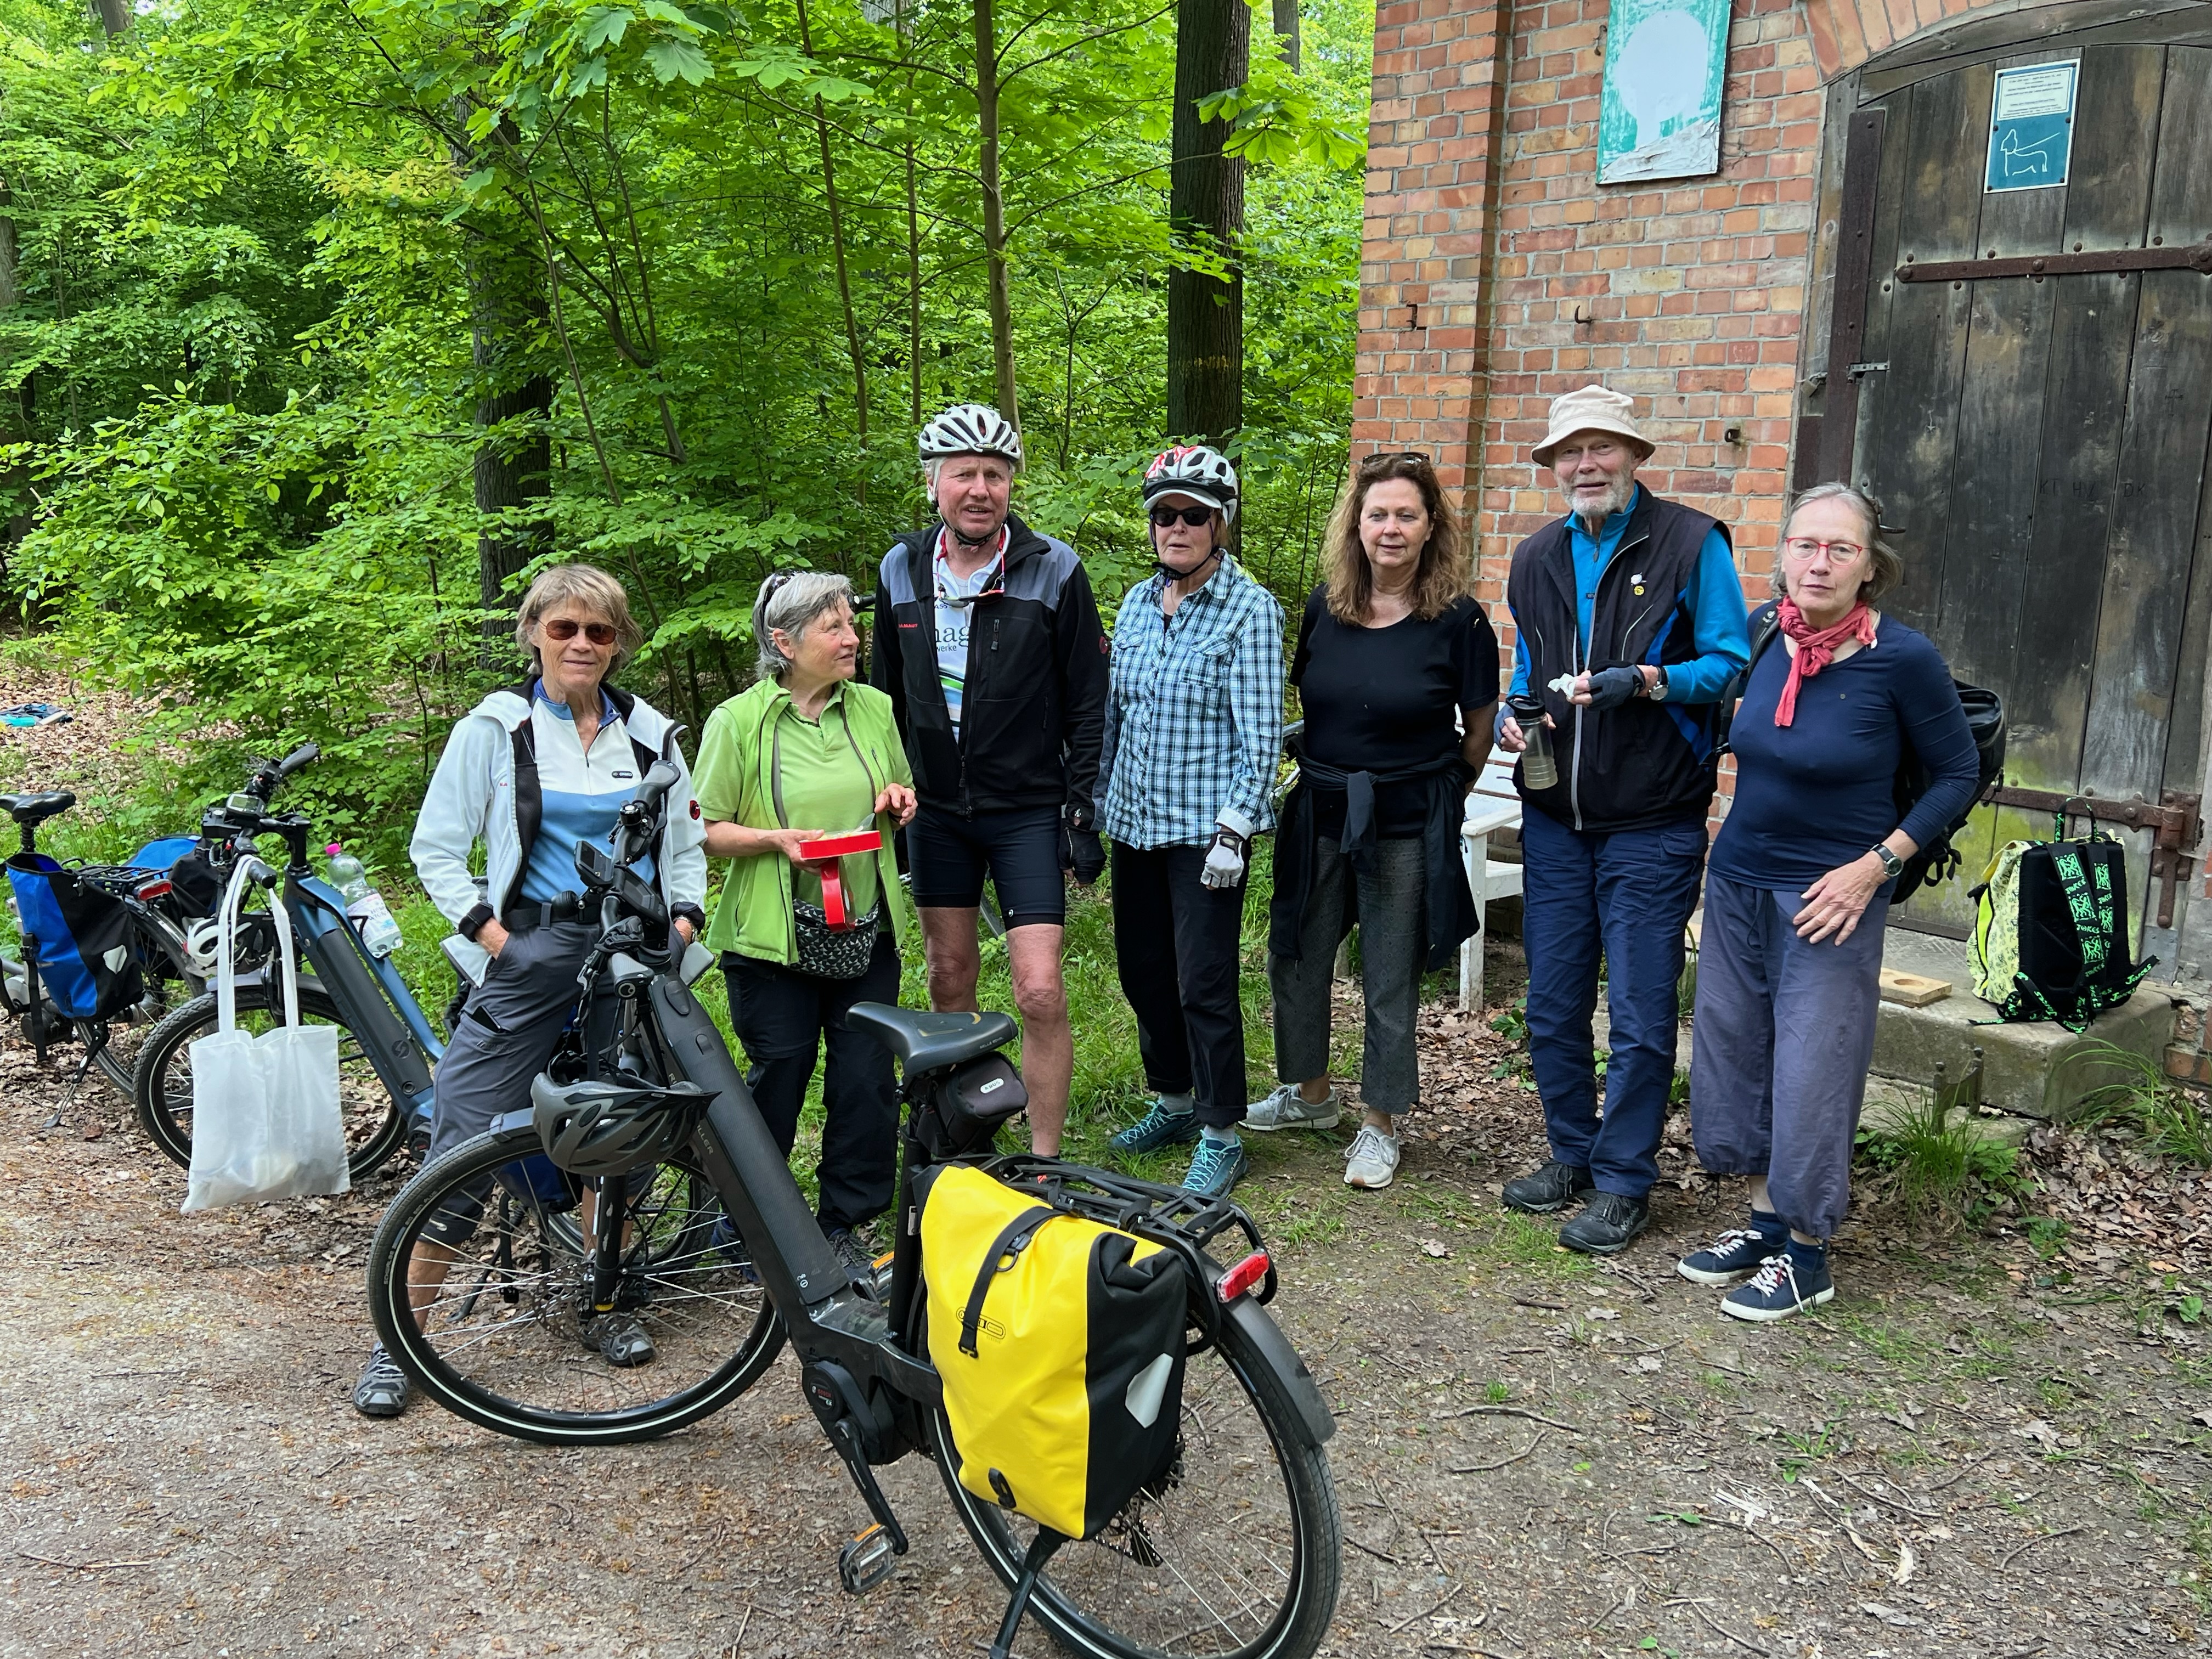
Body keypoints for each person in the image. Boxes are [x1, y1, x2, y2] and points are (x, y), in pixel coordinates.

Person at [354, 563, 707, 1418]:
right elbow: (435, 847)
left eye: (599, 632)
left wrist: (683, 927)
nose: (582, 644)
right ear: (535, 636)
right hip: (532, 950)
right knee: (462, 1127)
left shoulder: (652, 733)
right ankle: (398, 1340)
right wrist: (497, 939)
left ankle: (605, 1302)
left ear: (619, 643)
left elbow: (686, 849)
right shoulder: (497, 727)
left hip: (630, 953)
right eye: (565, 630)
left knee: (618, 1132)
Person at [1680, 484, 1977, 1319]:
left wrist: (1876, 866)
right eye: (1805, 544)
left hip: (1832, 895)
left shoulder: (1903, 660)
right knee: (1740, 1050)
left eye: (1839, 549)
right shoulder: (1764, 633)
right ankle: (1768, 1222)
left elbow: (1958, 774)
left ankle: (1809, 1254)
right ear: (1782, 555)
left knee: (1816, 1065)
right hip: (1738, 877)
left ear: (1869, 566)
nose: (1819, 562)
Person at [1497, 385, 1751, 1254]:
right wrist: (1514, 711)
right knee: (1552, 1005)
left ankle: (1624, 1181)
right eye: (1569, 453)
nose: (1585, 465)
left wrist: (1646, 682)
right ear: (1552, 467)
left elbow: (1728, 663)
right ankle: (1572, 1154)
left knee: (1640, 1015)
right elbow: (1528, 666)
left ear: (1634, 457)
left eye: (1601, 448)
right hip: (1555, 819)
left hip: (1653, 817)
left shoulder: (1690, 541)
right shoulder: (1534, 557)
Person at [1250, 450, 1497, 1192]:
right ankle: (1311, 1095)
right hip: (1319, 811)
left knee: (1390, 977)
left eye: (1407, 516)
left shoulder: (1460, 621)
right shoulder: (1327, 605)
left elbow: (1478, 732)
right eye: (1378, 514)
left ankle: (1381, 1123)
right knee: (1296, 955)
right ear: (1356, 525)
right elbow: (1313, 706)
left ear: (1431, 529)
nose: (1391, 529)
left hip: (1406, 821)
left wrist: (1446, 794)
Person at [871, 403, 1110, 1157]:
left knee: (1039, 988)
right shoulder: (900, 567)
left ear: (1013, 485)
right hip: (938, 811)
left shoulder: (1054, 568)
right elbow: (881, 701)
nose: (981, 489)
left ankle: (1042, 1160)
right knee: (949, 980)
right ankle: (968, 1146)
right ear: (934, 484)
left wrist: (1083, 811)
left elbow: (1088, 701)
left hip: (1027, 810)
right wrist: (887, 790)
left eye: (996, 476)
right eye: (964, 474)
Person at [692, 572, 918, 1282]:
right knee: (778, 1078)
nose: (854, 638)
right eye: (835, 628)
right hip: (771, 938)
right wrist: (775, 841)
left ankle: (844, 1224)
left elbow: (901, 787)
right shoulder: (736, 722)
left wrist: (897, 796)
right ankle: (747, 1223)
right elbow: (703, 830)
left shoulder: (874, 708)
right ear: (783, 642)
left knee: (865, 1081)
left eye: (851, 624)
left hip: (864, 932)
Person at [1098, 447, 1284, 1198]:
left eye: (1194, 515)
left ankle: (1219, 1129)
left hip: (1205, 835)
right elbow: (1115, 716)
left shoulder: (1252, 610)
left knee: (1203, 982)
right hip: (1134, 824)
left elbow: (1261, 734)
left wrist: (1236, 829)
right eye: (1164, 514)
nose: (1176, 527)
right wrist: (1091, 801)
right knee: (1144, 974)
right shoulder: (1138, 604)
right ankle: (1172, 1100)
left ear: (1222, 524)